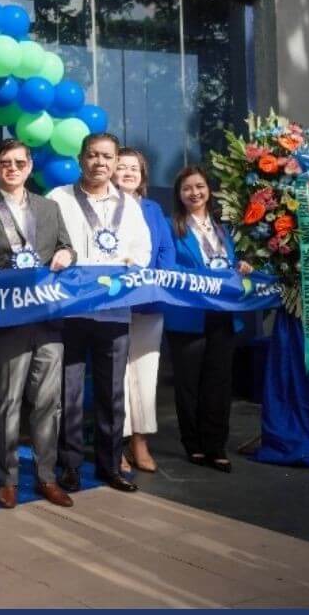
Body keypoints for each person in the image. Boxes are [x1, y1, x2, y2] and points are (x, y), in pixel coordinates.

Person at [0, 139, 76, 510]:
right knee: (6, 403)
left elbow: (68, 247)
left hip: (47, 318)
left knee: (49, 403)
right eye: (5, 163)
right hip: (5, 321)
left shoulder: (49, 207)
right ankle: (7, 479)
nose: (12, 168)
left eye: (19, 162)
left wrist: (68, 253)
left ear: (30, 167)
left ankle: (46, 478)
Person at [47, 133, 151, 494]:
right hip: (70, 313)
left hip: (114, 311)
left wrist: (130, 264)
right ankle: (70, 466)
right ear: (81, 159)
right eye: (93, 155)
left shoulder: (130, 205)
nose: (100, 163)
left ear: (114, 161)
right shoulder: (58, 198)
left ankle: (111, 465)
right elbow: (46, 244)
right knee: (70, 393)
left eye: (107, 156)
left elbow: (143, 251)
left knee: (112, 394)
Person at [165, 165, 251, 473]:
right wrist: (206, 278)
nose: (194, 193)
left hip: (223, 315)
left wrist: (240, 267)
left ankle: (216, 446)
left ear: (208, 190)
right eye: (187, 188)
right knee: (189, 384)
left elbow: (233, 262)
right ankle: (194, 444)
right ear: (179, 194)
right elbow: (168, 269)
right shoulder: (170, 226)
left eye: (199, 186)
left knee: (219, 382)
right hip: (188, 316)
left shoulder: (222, 227)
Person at [112, 148, 176, 474]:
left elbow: (166, 251)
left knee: (145, 373)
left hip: (149, 303)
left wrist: (155, 284)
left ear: (142, 174)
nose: (127, 172)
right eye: (120, 166)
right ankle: (117, 444)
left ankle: (140, 440)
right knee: (117, 376)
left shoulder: (153, 209)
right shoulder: (104, 208)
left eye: (133, 168)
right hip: (114, 304)